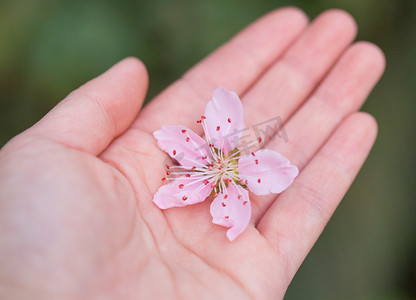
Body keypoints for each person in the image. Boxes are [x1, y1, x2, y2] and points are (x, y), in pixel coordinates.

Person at [0, 7, 385, 299]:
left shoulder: (241, 176)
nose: (219, 166)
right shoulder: (197, 162)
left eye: (224, 165)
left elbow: (242, 179)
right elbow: (174, 179)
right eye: (216, 164)